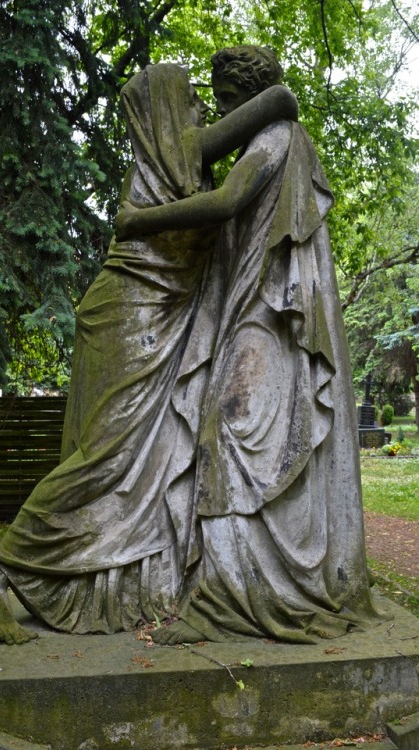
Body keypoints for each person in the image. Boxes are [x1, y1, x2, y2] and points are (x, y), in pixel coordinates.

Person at [0, 61, 298, 645]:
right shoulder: (182, 151)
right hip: (128, 319)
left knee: (137, 466)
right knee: (103, 460)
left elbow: (275, 110)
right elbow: (281, 100)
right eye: (193, 99)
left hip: (152, 322)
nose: (205, 111)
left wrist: (134, 219)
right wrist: (135, 222)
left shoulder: (174, 162)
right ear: (168, 110)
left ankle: (108, 581)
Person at [116, 46, 388, 645]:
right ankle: (236, 586)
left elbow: (224, 203)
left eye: (222, 98)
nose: (217, 111)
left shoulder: (276, 138)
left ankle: (229, 599)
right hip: (257, 313)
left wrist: (138, 221)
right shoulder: (270, 139)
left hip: (268, 317)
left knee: (228, 432)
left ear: (244, 96)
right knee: (234, 436)